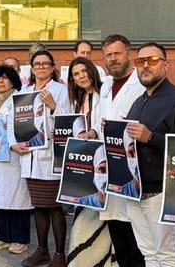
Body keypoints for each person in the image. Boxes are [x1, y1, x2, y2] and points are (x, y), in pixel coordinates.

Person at [124, 43, 175, 267]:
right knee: (148, 253)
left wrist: (150, 137)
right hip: (135, 190)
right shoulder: (139, 101)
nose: (145, 66)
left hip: (162, 193)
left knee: (167, 254)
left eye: (152, 61)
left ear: (166, 65)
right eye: (140, 61)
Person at [86, 34, 146, 267]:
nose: (113, 59)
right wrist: (91, 133)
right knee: (117, 231)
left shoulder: (140, 83)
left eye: (117, 53)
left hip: (132, 166)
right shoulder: (106, 85)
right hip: (108, 166)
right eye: (108, 55)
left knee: (136, 234)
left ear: (129, 54)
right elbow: (98, 120)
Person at [17, 50, 69, 267]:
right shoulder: (24, 92)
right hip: (30, 157)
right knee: (38, 205)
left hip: (50, 157)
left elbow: (69, 119)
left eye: (45, 64)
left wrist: (54, 106)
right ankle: (42, 250)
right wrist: (15, 144)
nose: (40, 67)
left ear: (52, 67)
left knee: (54, 206)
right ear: (32, 67)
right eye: (36, 64)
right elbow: (16, 121)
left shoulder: (61, 90)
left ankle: (59, 254)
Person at [65, 57, 114, 266]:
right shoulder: (79, 99)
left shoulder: (106, 93)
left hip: (104, 164)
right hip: (85, 166)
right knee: (85, 215)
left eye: (84, 71)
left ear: (92, 71)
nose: (81, 76)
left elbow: (106, 123)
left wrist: (93, 132)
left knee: (101, 216)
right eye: (76, 74)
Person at [0, 64, 32, 255]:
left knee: (17, 199)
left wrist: (10, 141)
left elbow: (22, 126)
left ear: (12, 80)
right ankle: (3, 236)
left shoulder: (20, 100)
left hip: (13, 158)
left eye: (4, 78)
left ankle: (20, 238)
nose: (1, 81)